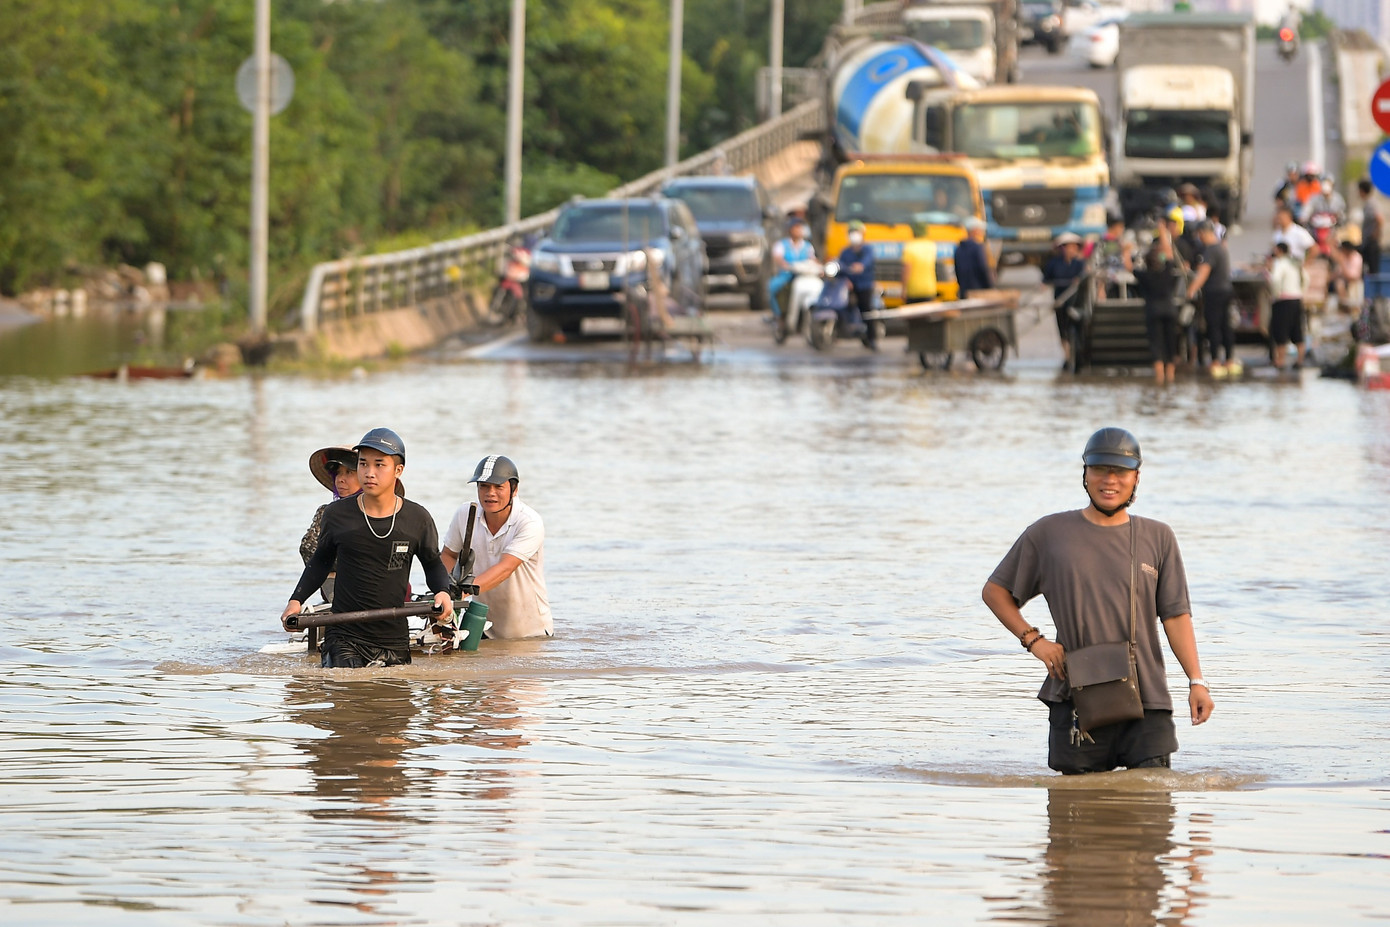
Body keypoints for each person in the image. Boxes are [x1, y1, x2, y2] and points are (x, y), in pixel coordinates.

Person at [981, 427, 1214, 775]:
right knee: (1079, 812)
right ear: (1085, 474)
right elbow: (995, 592)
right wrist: (1035, 641)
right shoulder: (1048, 534)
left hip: (1146, 699)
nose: (1110, 480)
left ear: (1136, 477)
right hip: (1075, 698)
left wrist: (1196, 680)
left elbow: (1175, 615)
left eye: (1120, 471)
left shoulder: (1158, 537)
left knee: (1151, 809)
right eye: (1100, 469)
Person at [282, 428, 453, 668]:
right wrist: (296, 601)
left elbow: (432, 563)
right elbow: (319, 562)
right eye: (363, 464)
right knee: (348, 691)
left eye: (379, 465)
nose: (369, 473)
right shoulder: (336, 515)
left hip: (393, 638)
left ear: (398, 470)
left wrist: (443, 593)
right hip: (344, 636)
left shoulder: (417, 518)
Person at [442, 456, 552, 640]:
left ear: (514, 490)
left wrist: (462, 591)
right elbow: (448, 554)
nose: (490, 493)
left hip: (530, 633)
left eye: (498, 487)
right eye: (483, 486)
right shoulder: (465, 514)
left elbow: (505, 568)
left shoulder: (529, 521)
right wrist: (445, 587)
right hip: (483, 629)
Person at [299, 445, 364, 604]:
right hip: (335, 589)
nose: (341, 479)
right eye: (338, 473)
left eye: (349, 472)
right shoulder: (327, 513)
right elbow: (308, 549)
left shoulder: (381, 513)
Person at [1186, 220, 1240, 378]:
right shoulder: (1222, 249)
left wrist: (1191, 290)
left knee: (1214, 326)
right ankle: (1229, 359)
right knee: (1226, 325)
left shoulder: (1210, 251)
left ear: (1203, 232)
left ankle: (1216, 360)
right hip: (1226, 291)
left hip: (1214, 293)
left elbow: (1203, 273)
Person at [1134, 230, 1180, 384]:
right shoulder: (1167, 272)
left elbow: (1128, 266)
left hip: (1153, 311)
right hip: (1170, 310)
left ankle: (1159, 376)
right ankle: (1171, 375)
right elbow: (1169, 254)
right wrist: (1163, 232)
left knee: (1156, 343)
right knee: (1170, 342)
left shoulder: (1144, 275)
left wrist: (1126, 250)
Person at [1043, 232, 1088, 369]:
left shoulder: (1080, 264)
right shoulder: (1054, 263)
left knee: (1077, 327)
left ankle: (1080, 355)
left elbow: (1085, 278)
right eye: (1068, 247)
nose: (1071, 250)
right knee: (1062, 329)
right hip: (1060, 300)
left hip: (1076, 301)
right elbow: (1046, 280)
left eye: (1074, 247)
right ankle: (1067, 357)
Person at [838, 220, 878, 348]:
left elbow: (865, 263)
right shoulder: (845, 252)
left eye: (857, 232)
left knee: (867, 311)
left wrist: (860, 266)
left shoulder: (868, 250)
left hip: (864, 285)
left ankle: (872, 338)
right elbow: (841, 266)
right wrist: (846, 279)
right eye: (852, 232)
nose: (854, 235)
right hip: (849, 286)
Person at [1268, 241, 1307, 370]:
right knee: (1297, 330)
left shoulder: (1280, 263)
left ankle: (1280, 360)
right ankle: (1300, 360)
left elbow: (1275, 280)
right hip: (1297, 298)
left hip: (1283, 300)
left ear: (1279, 251)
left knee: (1280, 331)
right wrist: (1301, 291)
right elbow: (1306, 278)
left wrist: (1275, 293)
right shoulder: (1295, 263)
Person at [768, 219, 816, 321]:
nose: (799, 230)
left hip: (803, 275)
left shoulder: (807, 246)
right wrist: (787, 265)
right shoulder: (782, 244)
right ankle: (778, 315)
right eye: (796, 228)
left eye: (800, 228)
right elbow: (778, 258)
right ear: (790, 230)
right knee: (772, 287)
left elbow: (813, 259)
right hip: (787, 274)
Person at [954, 217, 994, 298]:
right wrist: (990, 286)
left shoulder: (959, 248)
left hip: (964, 291)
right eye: (980, 229)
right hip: (978, 291)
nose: (982, 232)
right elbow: (983, 269)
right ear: (974, 231)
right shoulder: (977, 248)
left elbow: (957, 271)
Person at [1332, 239, 1364, 317]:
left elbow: (1352, 277)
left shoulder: (1357, 258)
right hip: (1346, 283)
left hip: (1354, 285)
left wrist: (1342, 263)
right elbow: (1337, 273)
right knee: (1339, 284)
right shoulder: (1344, 257)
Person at [1358, 179, 1381, 276]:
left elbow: (1379, 219)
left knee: (1373, 270)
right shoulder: (1368, 203)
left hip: (1371, 242)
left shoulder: (1371, 204)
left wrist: (1375, 234)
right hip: (1367, 241)